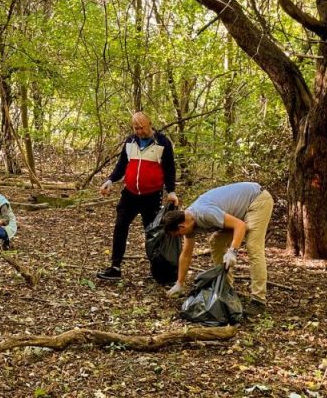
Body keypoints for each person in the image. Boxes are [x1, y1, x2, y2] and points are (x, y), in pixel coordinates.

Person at [162, 182, 274, 316]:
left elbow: (240, 226)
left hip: (257, 200)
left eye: (178, 234)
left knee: (253, 247)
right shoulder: (188, 221)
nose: (181, 236)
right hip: (239, 210)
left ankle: (258, 300)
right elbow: (186, 254)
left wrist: (233, 251)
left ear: (181, 227)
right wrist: (179, 283)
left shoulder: (205, 213)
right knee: (216, 242)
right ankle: (226, 289)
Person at [96, 111, 178, 281]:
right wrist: (110, 180)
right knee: (120, 226)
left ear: (150, 124)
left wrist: (171, 191)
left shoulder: (162, 142)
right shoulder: (130, 141)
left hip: (151, 196)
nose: (139, 131)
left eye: (142, 127)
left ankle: (156, 269)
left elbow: (169, 169)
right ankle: (115, 267)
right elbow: (122, 165)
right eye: (136, 128)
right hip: (130, 195)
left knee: (152, 232)